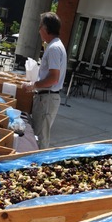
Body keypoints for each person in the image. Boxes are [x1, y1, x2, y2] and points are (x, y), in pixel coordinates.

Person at [24, 12, 67, 149]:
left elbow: (54, 78)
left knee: (39, 139)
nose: (39, 30)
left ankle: (36, 168)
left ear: (46, 28)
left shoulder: (54, 48)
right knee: (38, 136)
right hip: (46, 98)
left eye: (40, 26)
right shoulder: (55, 45)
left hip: (47, 98)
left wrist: (33, 85)